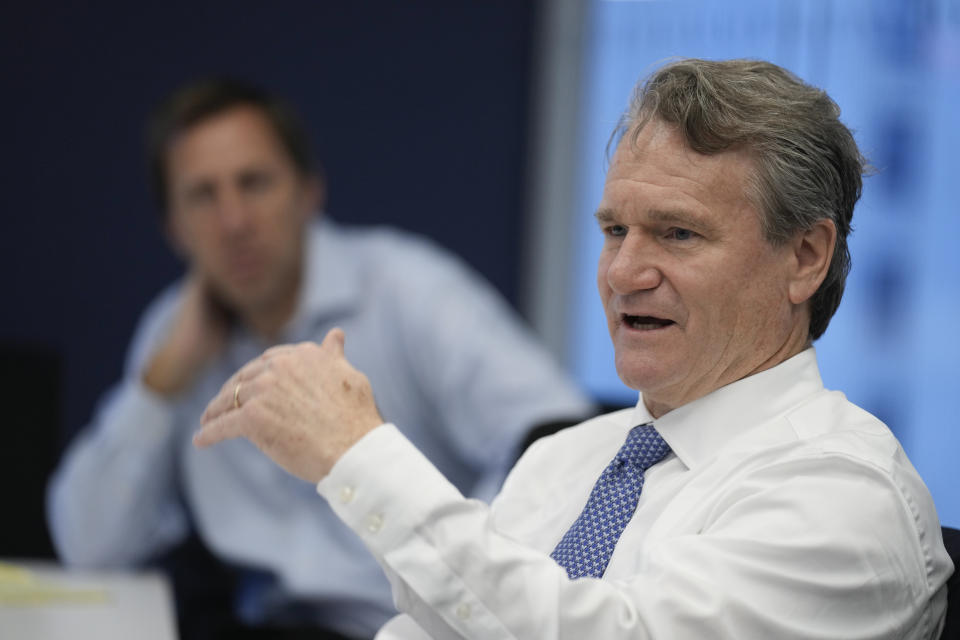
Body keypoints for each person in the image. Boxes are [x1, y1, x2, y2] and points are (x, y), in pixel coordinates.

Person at [193, 58, 955, 639]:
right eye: (615, 230)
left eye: (678, 233)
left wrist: (356, 455)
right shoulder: (567, 460)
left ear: (804, 258)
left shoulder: (844, 496)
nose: (624, 272)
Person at [46, 79, 593, 638]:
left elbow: (564, 443)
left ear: (309, 191)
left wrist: (459, 568)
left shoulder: (408, 290)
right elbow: (89, 548)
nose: (233, 221)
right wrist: (155, 392)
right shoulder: (176, 331)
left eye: (253, 183)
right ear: (173, 228)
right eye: (203, 196)